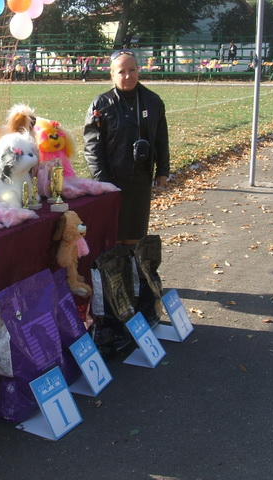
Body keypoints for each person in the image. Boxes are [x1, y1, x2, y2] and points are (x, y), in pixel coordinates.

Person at [84, 49, 170, 324]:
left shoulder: (153, 101)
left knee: (135, 232)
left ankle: (136, 283)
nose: (127, 75)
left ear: (138, 71)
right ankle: (115, 285)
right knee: (114, 235)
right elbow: (92, 146)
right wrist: (102, 181)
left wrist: (163, 169)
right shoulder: (102, 104)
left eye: (132, 70)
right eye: (121, 71)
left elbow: (162, 138)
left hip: (140, 180)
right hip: (112, 181)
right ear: (112, 74)